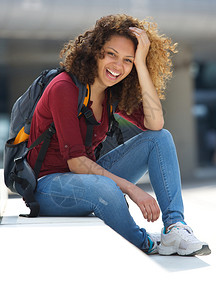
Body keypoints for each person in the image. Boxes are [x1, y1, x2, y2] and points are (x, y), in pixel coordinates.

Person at [27, 14, 211, 256]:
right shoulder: (65, 88)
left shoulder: (112, 94)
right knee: (107, 187)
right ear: (94, 51)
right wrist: (132, 189)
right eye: (111, 54)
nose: (117, 66)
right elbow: (76, 162)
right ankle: (144, 241)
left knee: (160, 138)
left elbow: (155, 124)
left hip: (90, 179)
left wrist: (142, 65)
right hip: (48, 188)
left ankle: (175, 227)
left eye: (128, 60)